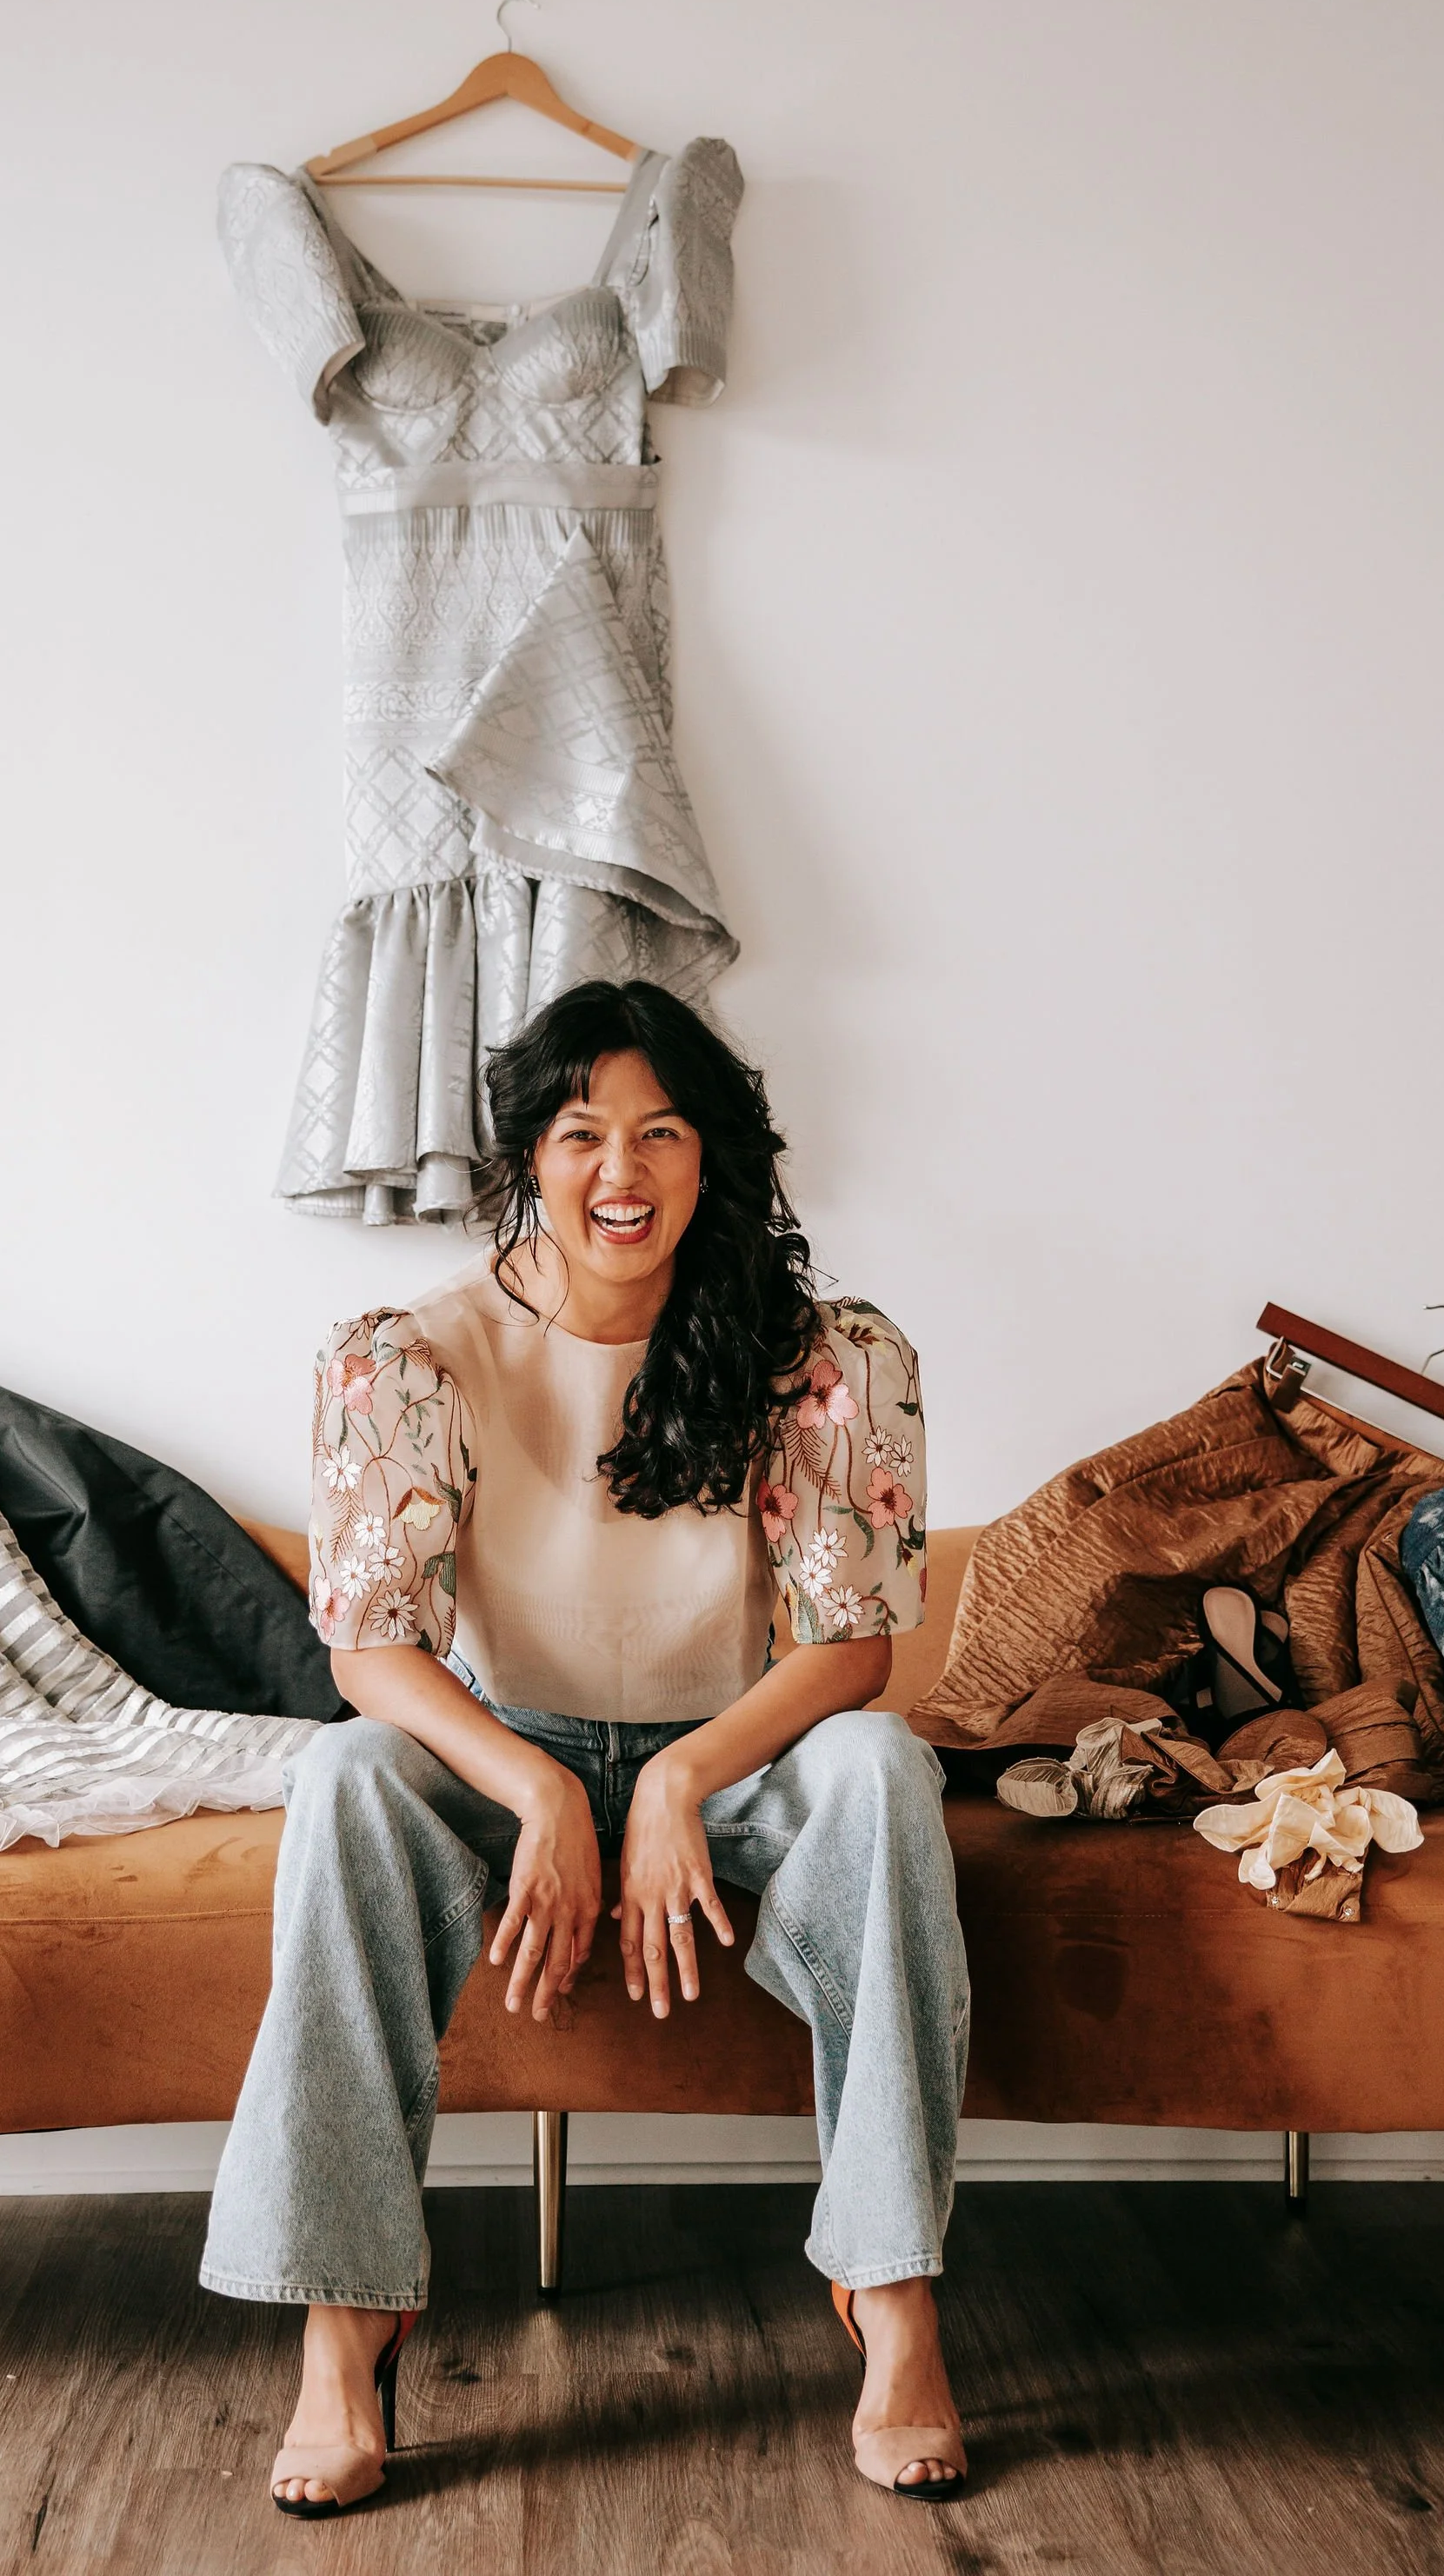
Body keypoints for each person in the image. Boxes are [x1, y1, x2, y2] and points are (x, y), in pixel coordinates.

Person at [202, 980, 968, 2513]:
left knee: (884, 1770)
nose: (623, 1173)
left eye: (662, 1133)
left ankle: (892, 2302)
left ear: (712, 1157)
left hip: (739, 1750)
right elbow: (373, 1652)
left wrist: (681, 1775)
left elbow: (852, 1648)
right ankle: (346, 2334)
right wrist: (539, 1783)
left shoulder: (822, 1350)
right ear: (529, 1164)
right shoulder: (408, 1353)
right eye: (582, 1135)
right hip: (515, 1744)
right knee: (343, 1778)